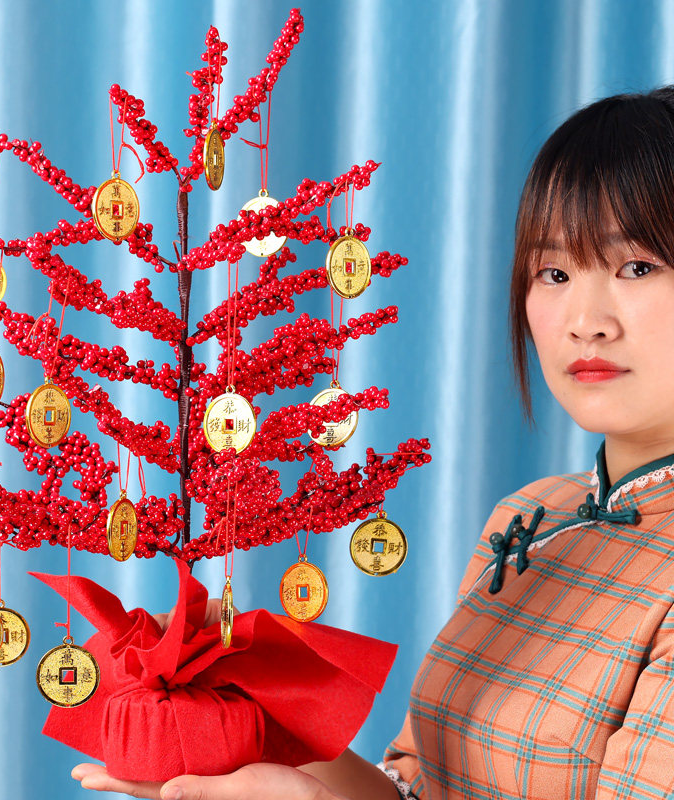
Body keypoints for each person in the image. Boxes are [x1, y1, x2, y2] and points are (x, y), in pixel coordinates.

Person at [72, 86, 674, 799]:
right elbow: (422, 787)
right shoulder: (531, 516)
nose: (585, 319)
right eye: (554, 273)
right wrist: (256, 710)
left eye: (637, 266)